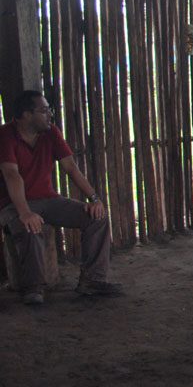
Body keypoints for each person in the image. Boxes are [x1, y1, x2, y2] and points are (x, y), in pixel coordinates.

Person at [0, 90, 123, 304]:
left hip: (49, 199)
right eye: (44, 110)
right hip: (14, 204)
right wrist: (25, 212)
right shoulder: (5, 135)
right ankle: (34, 288)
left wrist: (94, 199)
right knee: (30, 227)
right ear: (26, 115)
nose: (50, 115)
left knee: (97, 218)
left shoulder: (51, 133)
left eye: (49, 110)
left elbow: (71, 168)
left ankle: (92, 280)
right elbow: (12, 175)